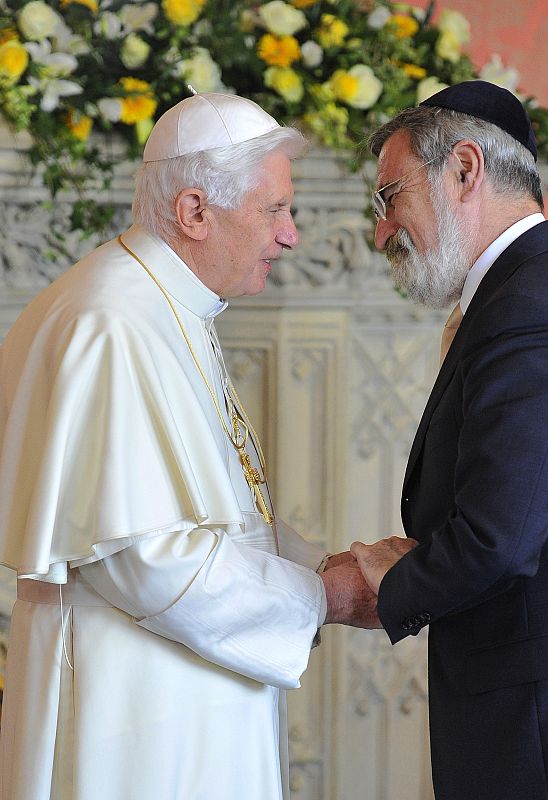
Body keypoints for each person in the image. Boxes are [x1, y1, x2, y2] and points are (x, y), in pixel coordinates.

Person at [0, 92, 378, 800]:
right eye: (274, 210)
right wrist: (321, 595)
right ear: (195, 211)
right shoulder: (110, 322)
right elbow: (145, 557)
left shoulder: (159, 303)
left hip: (172, 694)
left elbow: (216, 512)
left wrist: (325, 564)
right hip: (135, 713)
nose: (291, 235)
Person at [351, 80, 548, 800]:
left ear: (464, 169)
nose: (381, 231)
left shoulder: (531, 312)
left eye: (389, 197)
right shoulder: (547, 288)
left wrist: (385, 584)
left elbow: (499, 537)